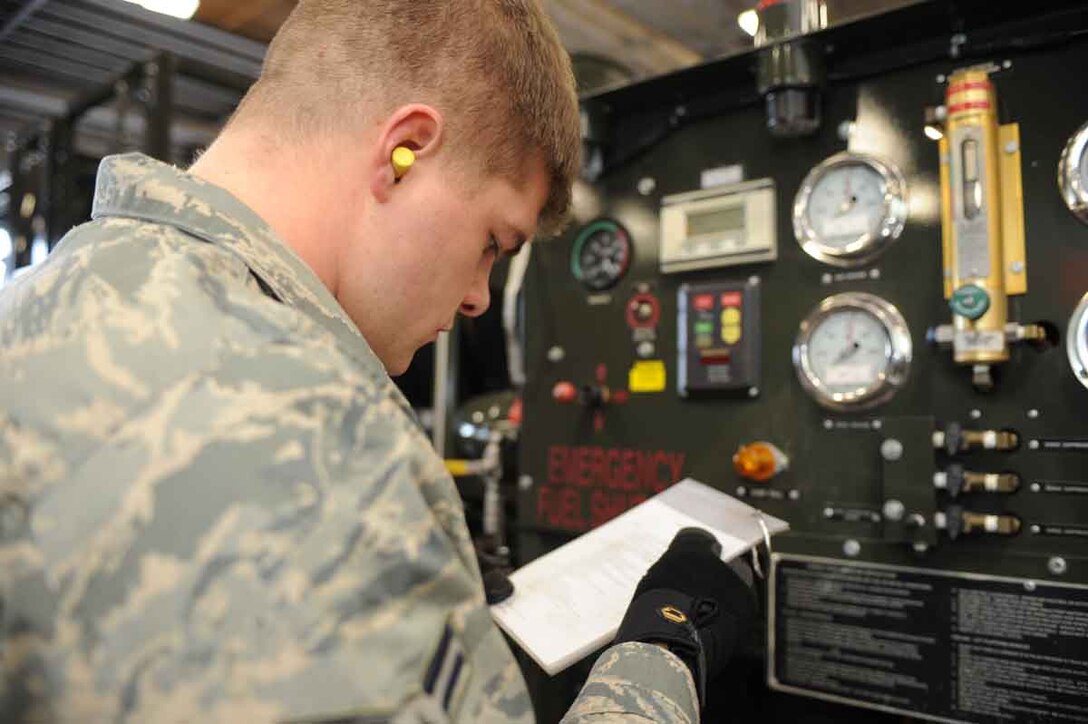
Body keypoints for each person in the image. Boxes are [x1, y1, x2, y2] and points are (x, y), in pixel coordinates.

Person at [0, 1, 754, 721]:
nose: (479, 300)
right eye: (493, 242)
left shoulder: (36, 303)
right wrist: (659, 656)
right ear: (406, 152)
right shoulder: (327, 438)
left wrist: (415, 604)